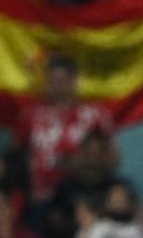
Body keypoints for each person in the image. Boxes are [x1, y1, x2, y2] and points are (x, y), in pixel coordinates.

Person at [14, 53, 114, 200]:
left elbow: (112, 158)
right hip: (41, 198)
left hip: (84, 196)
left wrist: (84, 165)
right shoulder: (31, 115)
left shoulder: (94, 115)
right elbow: (17, 152)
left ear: (73, 80)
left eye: (61, 81)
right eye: (51, 81)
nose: (56, 86)